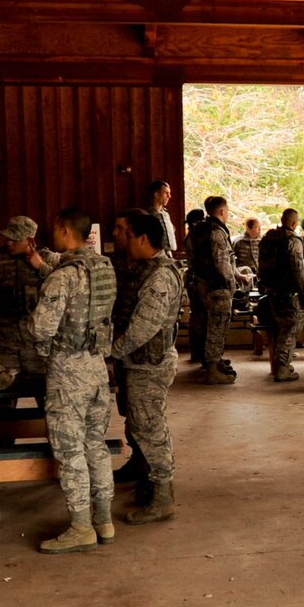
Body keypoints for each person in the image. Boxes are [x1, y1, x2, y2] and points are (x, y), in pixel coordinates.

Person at [31, 208, 118, 552]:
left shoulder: (63, 276)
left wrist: (44, 351)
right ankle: (104, 520)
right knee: (95, 446)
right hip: (98, 367)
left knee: (70, 452)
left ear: (65, 231)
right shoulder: (104, 267)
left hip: (68, 372)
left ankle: (81, 526)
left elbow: (41, 326)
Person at [112, 212, 186, 525]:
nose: (118, 236)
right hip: (135, 360)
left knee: (150, 427)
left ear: (142, 238)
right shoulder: (140, 268)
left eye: (123, 231)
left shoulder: (160, 276)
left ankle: (161, 496)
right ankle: (141, 470)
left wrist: (110, 351)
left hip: (148, 363)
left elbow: (144, 327)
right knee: (136, 420)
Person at [0, 216, 50, 391]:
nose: (9, 243)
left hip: (37, 345)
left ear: (30, 240)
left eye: (15, 239)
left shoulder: (46, 260)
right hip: (1, 343)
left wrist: (41, 268)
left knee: (46, 393)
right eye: (7, 238)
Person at [187, 197, 239, 385]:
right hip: (217, 287)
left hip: (201, 286)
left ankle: (214, 363)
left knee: (208, 326)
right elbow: (221, 262)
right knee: (217, 328)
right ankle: (212, 370)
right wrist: (231, 284)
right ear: (222, 211)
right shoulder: (217, 233)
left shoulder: (197, 231)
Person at [259, 209, 304, 383]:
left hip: (271, 292)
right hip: (288, 293)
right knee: (290, 329)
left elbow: (261, 266)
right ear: (294, 223)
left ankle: (282, 364)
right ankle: (282, 368)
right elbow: (298, 269)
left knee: (280, 329)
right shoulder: (292, 240)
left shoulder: (267, 239)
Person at [146, 180, 177, 252]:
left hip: (170, 254)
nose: (169, 196)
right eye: (166, 193)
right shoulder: (147, 214)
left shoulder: (166, 214)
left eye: (169, 193)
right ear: (156, 194)